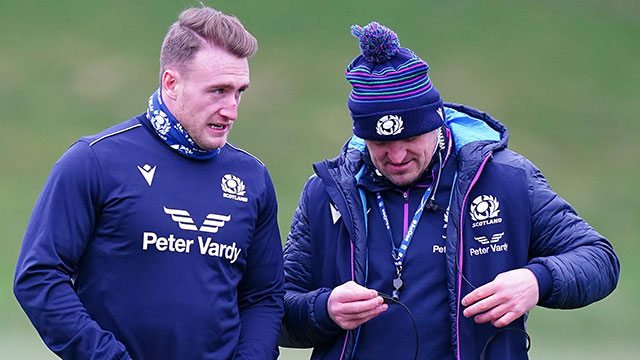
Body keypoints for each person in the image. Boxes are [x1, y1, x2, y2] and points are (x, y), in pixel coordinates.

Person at [279, 22, 619, 359]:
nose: (396, 156)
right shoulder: (325, 194)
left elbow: (599, 259)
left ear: (436, 122)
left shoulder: (506, 179)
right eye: (380, 143)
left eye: (410, 139)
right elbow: (275, 309)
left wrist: (536, 280)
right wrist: (323, 309)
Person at [14, 6, 284, 360]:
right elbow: (39, 277)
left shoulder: (253, 178)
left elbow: (263, 298)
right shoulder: (94, 161)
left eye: (239, 92)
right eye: (218, 91)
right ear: (171, 83)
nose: (231, 109)